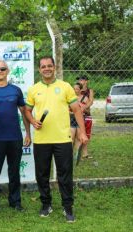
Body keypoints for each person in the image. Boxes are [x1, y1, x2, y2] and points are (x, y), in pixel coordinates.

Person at [24, 56, 88, 223]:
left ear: (54, 68)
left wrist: (82, 132)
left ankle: (68, 207)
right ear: (39, 69)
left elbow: (77, 110)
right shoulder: (33, 89)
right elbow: (27, 111)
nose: (47, 68)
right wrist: (32, 121)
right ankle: (46, 205)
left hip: (62, 139)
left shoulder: (65, 86)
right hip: (41, 140)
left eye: (49, 66)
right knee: (42, 175)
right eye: (43, 66)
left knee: (65, 175)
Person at [0, 59, 31, 212]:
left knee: (14, 171)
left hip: (15, 137)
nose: (0, 72)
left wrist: (28, 133)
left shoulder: (16, 90)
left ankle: (15, 202)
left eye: (2, 69)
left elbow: (24, 112)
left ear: (8, 70)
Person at [77, 75, 94, 159]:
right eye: (79, 80)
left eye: (82, 80)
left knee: (86, 134)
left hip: (86, 114)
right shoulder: (76, 90)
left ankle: (85, 153)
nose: (80, 81)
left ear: (86, 81)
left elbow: (91, 101)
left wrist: (84, 107)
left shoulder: (89, 91)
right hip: (77, 115)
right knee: (78, 133)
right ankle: (78, 153)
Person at [71, 82, 88, 160]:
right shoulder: (70, 97)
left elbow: (86, 111)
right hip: (71, 119)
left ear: (81, 90)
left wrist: (81, 110)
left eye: (77, 89)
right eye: (74, 89)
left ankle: (77, 156)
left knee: (79, 138)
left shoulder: (84, 98)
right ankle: (69, 155)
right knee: (71, 138)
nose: (75, 90)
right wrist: (74, 112)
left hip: (80, 120)